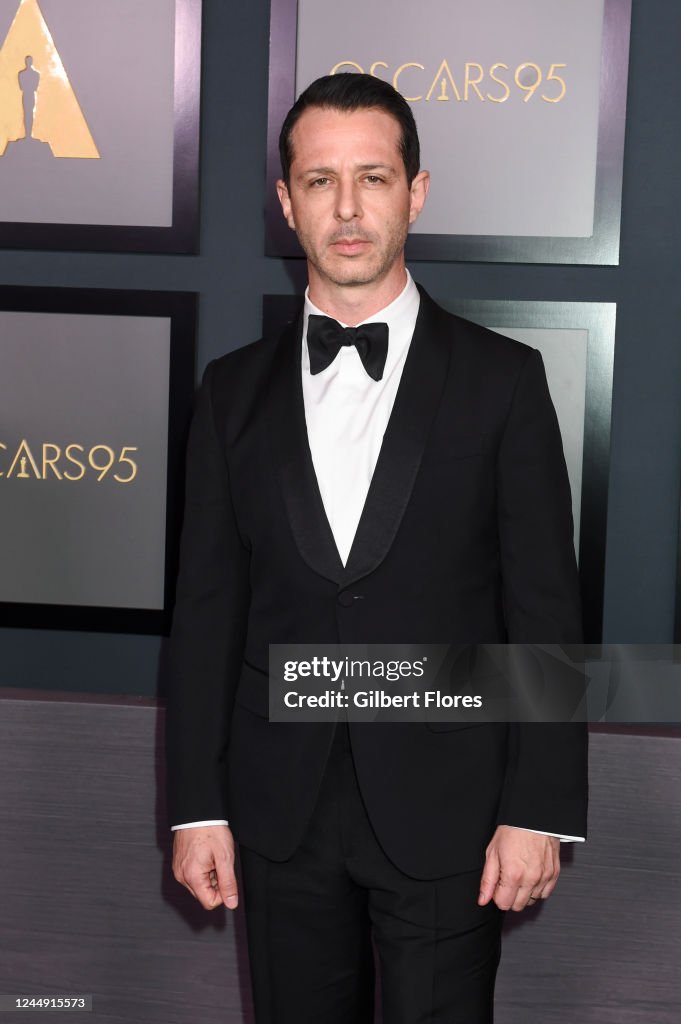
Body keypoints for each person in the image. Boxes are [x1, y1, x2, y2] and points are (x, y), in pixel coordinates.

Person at [166, 73, 587, 1023]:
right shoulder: (231, 392)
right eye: (319, 182)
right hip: (279, 815)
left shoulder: (502, 382)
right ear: (286, 203)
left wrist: (538, 808)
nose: (347, 209)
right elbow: (204, 617)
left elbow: (545, 615)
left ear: (416, 192)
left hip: (453, 814)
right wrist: (198, 805)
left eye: (373, 178)